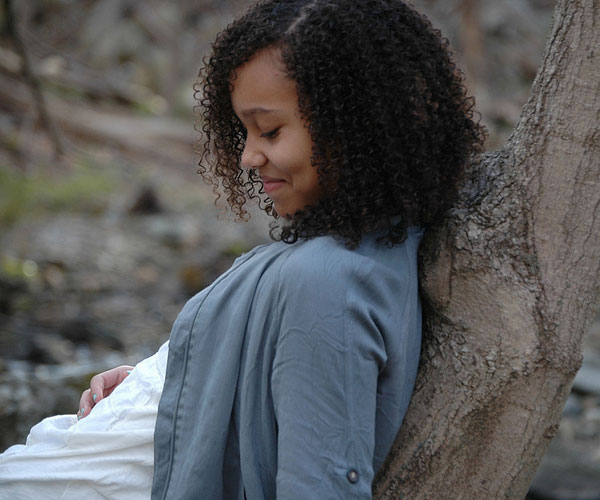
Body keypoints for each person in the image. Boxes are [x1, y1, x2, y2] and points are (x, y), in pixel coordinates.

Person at [0, 0, 485, 498]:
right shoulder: (353, 248)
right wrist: (174, 378)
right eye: (245, 131)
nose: (249, 156)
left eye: (270, 130)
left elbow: (316, 484)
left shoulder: (328, 283)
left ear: (356, 123)